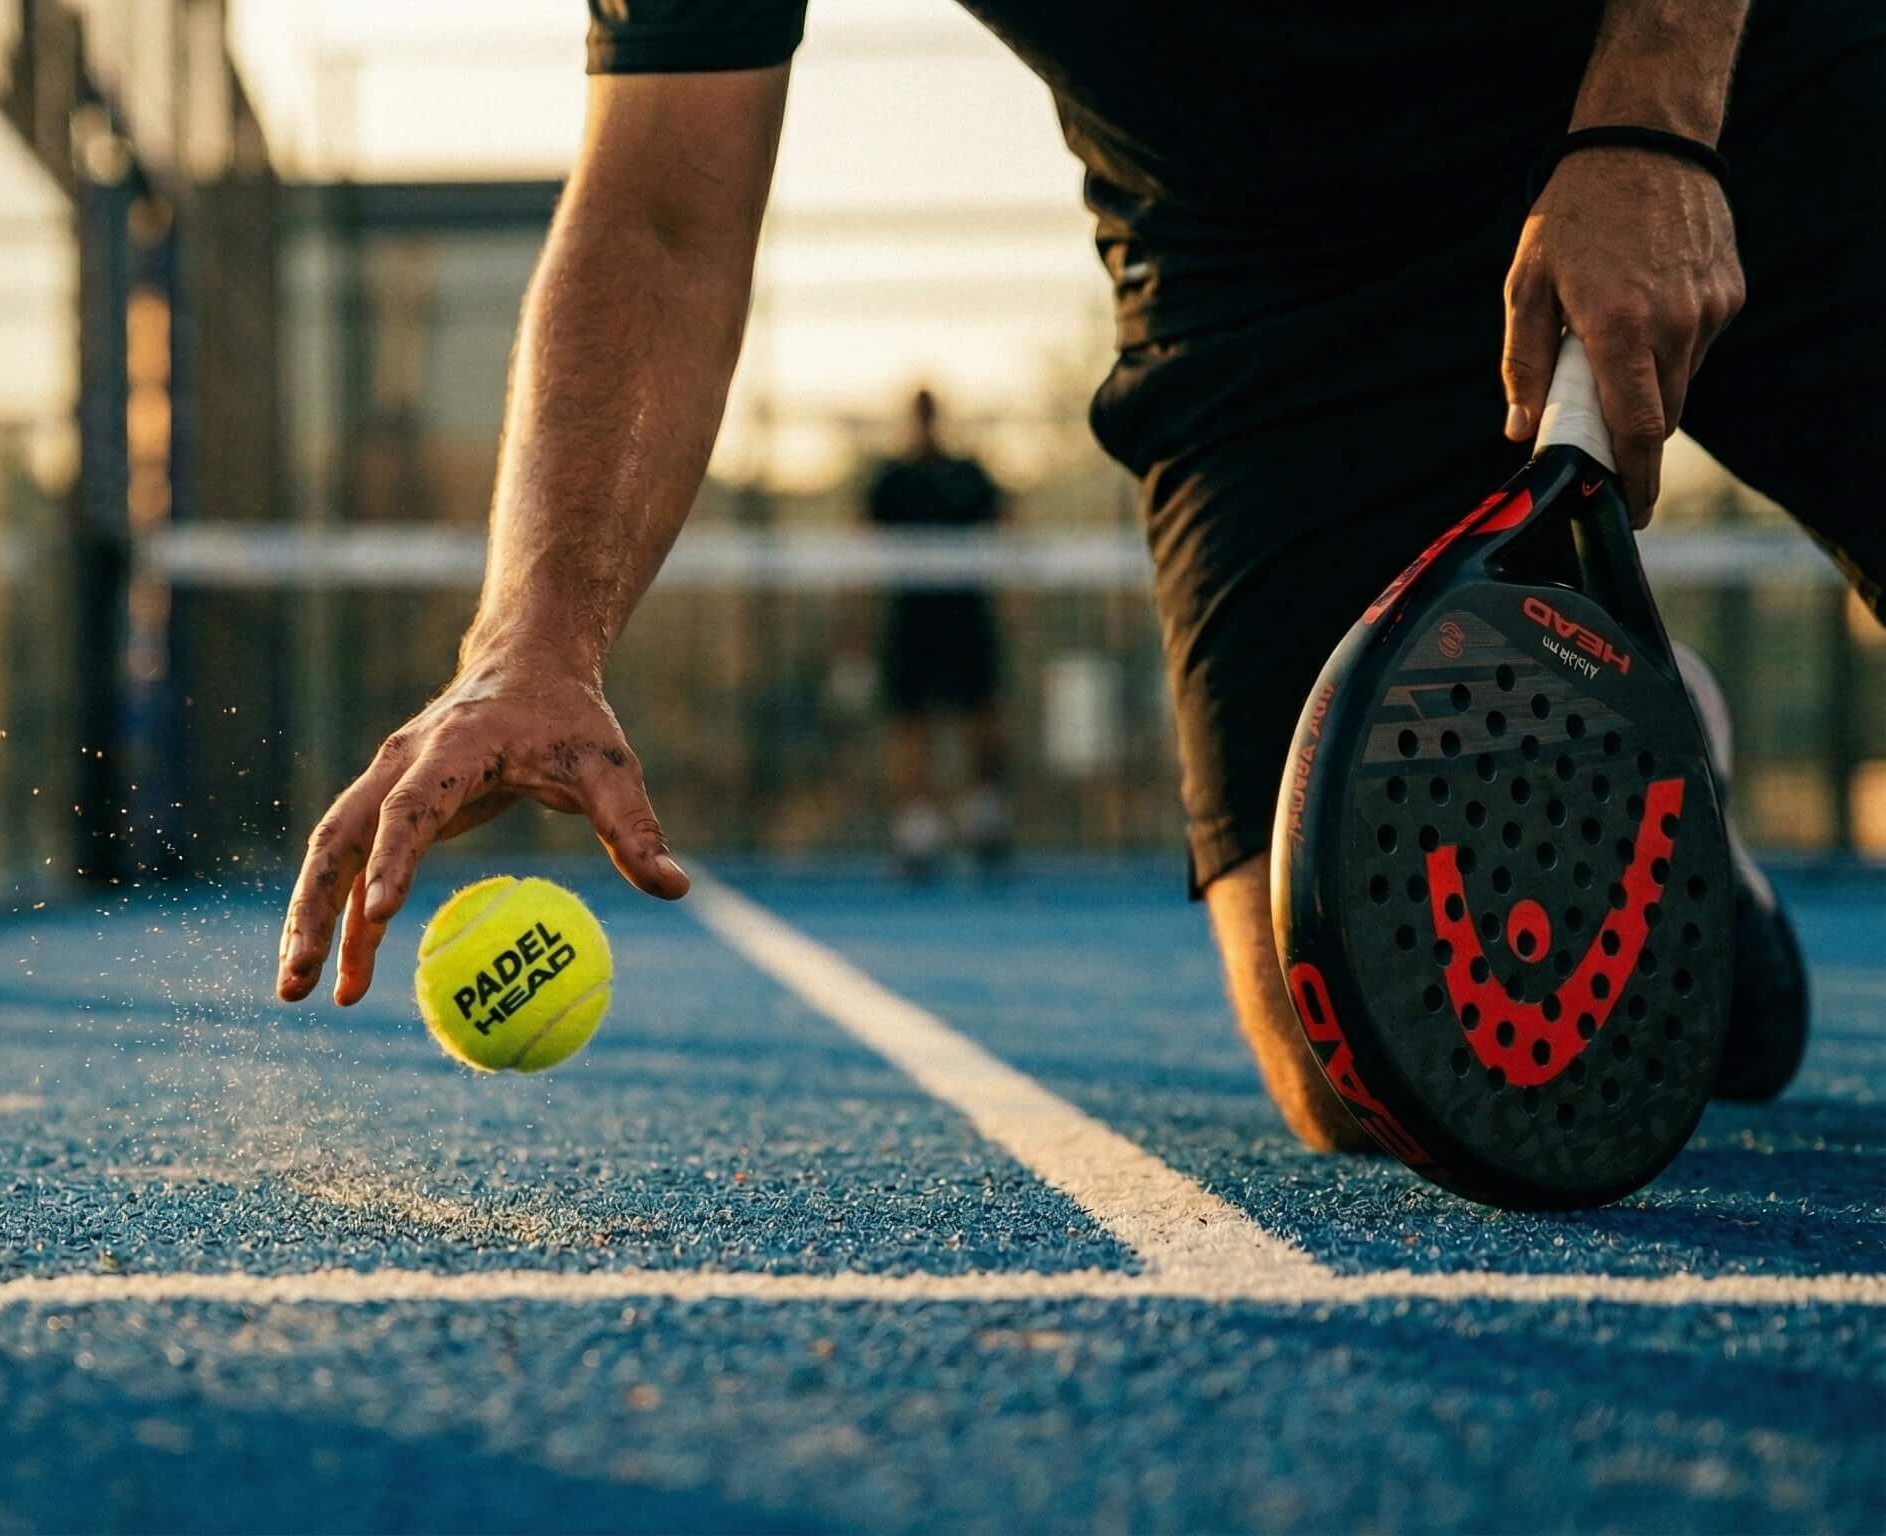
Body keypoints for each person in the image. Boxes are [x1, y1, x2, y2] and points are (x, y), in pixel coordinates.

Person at [273, 0, 1852, 1149]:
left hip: (1729, 68)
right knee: (1362, 1054)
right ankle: (1669, 784)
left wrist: (1651, 115)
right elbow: (669, 204)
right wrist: (531, 640)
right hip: (1262, 253)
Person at [867, 388, 1009, 879]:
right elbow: (859, 544)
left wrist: (1016, 602)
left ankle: (984, 821)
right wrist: (852, 628)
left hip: (967, 618)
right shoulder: (891, 480)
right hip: (911, 622)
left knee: (982, 721)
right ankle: (918, 832)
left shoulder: (969, 476)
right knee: (911, 726)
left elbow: (1008, 532)